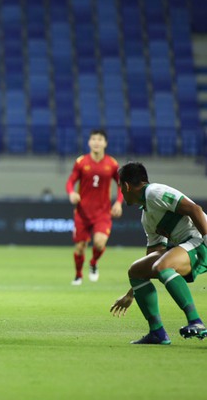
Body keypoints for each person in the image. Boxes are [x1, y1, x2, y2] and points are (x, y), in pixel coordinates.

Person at [110, 162, 207, 344]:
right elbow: (154, 256)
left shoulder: (155, 192)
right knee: (137, 270)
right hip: (187, 246)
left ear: (126, 185)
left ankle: (195, 321)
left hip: (200, 240)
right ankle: (157, 333)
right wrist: (132, 293)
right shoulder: (147, 216)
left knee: (163, 266)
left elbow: (195, 210)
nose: (121, 193)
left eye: (120, 187)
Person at [65, 129, 123, 285]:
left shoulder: (112, 164)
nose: (96, 142)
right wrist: (71, 193)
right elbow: (70, 182)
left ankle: (93, 263)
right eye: (93, 139)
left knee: (99, 243)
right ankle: (78, 275)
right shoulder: (81, 162)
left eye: (100, 139)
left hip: (102, 213)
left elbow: (121, 185)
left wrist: (118, 201)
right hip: (82, 213)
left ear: (105, 143)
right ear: (89, 142)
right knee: (80, 247)